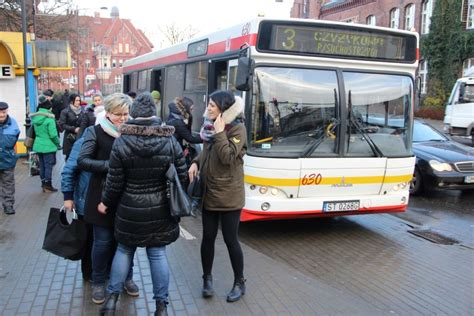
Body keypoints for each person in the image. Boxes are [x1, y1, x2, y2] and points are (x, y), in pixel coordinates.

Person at [98, 93, 187, 316]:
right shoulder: (169, 140)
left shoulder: (122, 142)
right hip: (161, 208)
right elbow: (182, 175)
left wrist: (106, 203)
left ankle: (111, 302)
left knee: (124, 250)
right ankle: (161, 307)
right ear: (153, 115)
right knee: (157, 254)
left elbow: (114, 182)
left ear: (134, 114)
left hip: (129, 209)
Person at [77, 93, 139, 305]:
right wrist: (110, 166)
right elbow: (83, 161)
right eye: (118, 114)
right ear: (108, 113)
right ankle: (98, 281)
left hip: (127, 197)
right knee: (102, 243)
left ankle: (127, 278)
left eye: (126, 113)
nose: (123, 118)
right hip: (100, 196)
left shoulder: (133, 131)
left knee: (127, 242)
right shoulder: (95, 132)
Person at [188, 90, 247, 303]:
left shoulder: (237, 128)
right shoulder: (210, 127)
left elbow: (227, 157)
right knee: (208, 238)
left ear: (223, 108)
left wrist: (221, 133)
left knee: (231, 240)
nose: (208, 107)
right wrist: (195, 161)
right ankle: (207, 279)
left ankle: (239, 282)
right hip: (209, 193)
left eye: (213, 105)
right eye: (209, 104)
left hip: (229, 196)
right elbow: (208, 151)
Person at [61, 129, 93, 281]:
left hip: (109, 202)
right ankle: (88, 274)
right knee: (87, 239)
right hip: (85, 201)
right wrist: (68, 196)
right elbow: (69, 170)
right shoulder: (83, 142)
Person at [30, 95, 60, 192]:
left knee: (42, 165)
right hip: (48, 146)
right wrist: (57, 143)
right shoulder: (50, 119)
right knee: (48, 166)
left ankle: (43, 184)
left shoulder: (35, 118)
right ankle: (48, 185)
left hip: (38, 144)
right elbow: (53, 135)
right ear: (49, 108)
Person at [166, 96, 202, 166]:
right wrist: (205, 137)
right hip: (176, 153)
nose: (191, 111)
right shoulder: (178, 122)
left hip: (173, 150)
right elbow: (191, 138)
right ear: (186, 108)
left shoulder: (174, 115)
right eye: (191, 109)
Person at [0, 101, 20, 215]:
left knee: (8, 184)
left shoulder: (13, 123)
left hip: (8, 159)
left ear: (7, 111)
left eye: (3, 112)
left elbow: (16, 138)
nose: (1, 115)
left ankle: (8, 205)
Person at [60, 93, 83, 160]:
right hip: (69, 137)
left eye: (79, 100)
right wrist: (74, 129)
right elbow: (62, 124)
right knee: (69, 157)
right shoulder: (65, 111)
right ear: (72, 101)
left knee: (79, 157)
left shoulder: (83, 111)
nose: (78, 102)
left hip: (80, 136)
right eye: (76, 100)